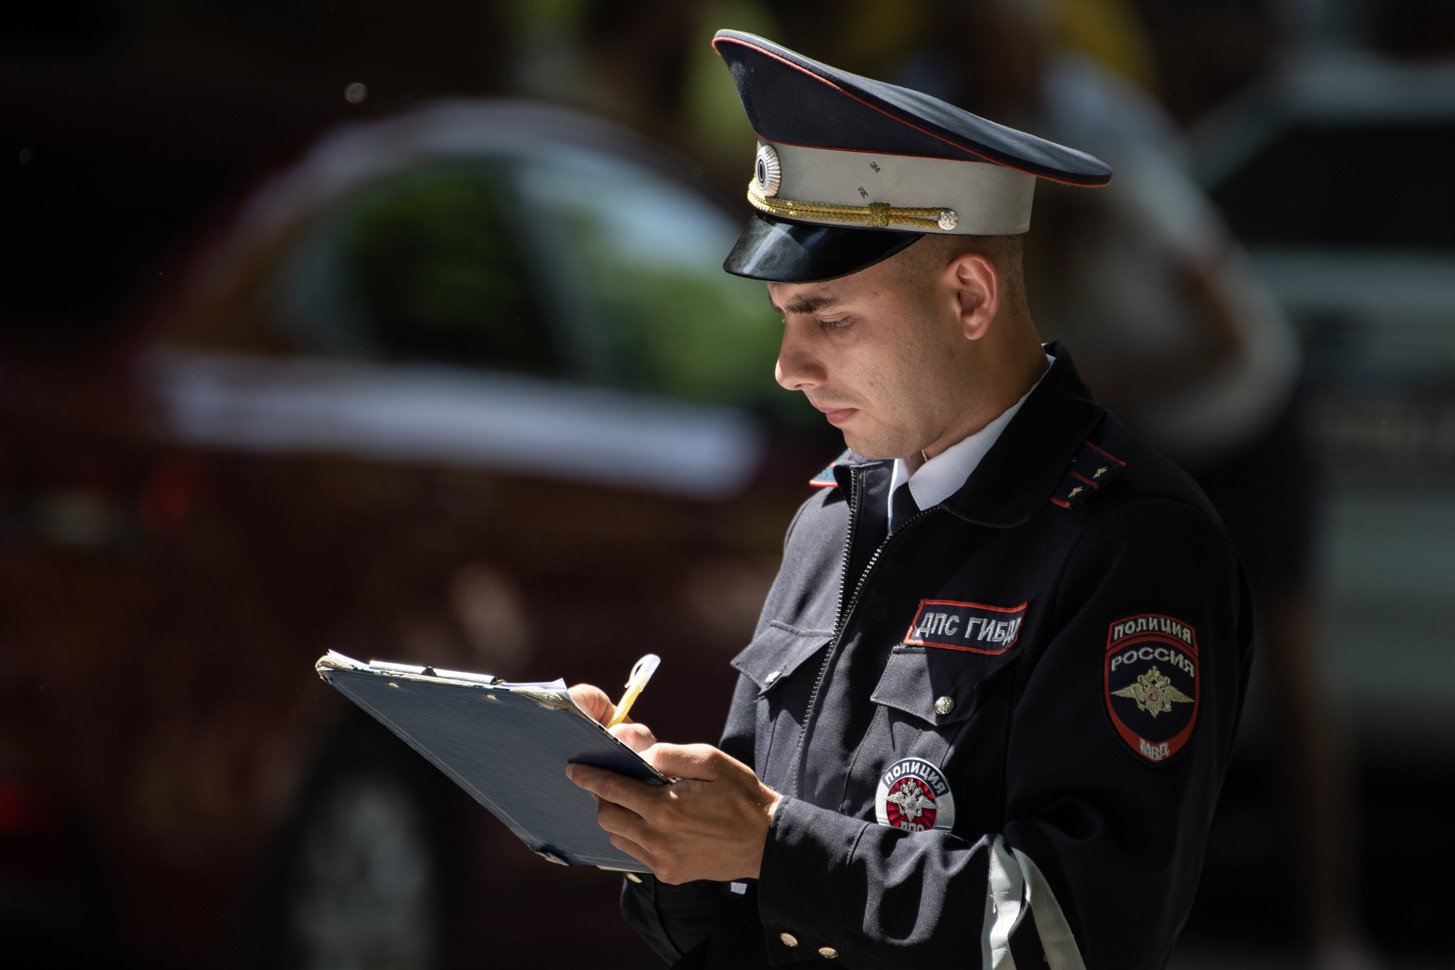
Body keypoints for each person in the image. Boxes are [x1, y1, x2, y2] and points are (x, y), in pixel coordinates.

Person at [565, 30, 1253, 969]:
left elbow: (1076, 930)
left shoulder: (1130, 542)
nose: (788, 369)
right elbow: (743, 925)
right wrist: (666, 835)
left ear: (969, 297)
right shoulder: (833, 517)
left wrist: (768, 844)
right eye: (783, 320)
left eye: (830, 319)